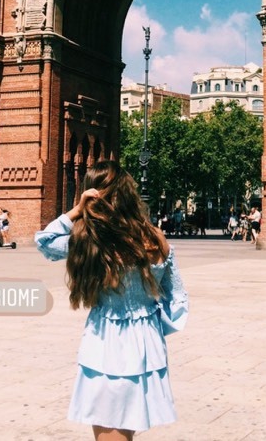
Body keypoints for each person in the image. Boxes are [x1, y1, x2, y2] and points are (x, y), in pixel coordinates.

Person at [34, 160, 188, 441]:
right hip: (147, 348)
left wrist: (77, 210)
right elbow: (176, 299)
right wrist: (152, 321)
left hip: (106, 346)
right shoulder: (155, 238)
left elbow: (44, 240)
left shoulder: (90, 241)